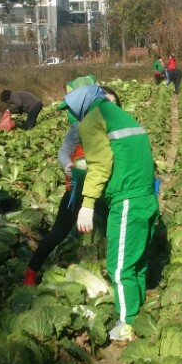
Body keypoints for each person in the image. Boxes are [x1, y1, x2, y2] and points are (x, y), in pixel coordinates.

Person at [58, 84, 159, 343]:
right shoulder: (120, 115)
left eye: (70, 110)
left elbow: (100, 164)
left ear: (80, 106)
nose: (70, 115)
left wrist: (88, 203)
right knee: (137, 262)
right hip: (146, 195)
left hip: (126, 199)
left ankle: (127, 322)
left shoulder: (92, 119)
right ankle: (138, 311)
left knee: (119, 265)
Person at [23, 86, 119, 286]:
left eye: (113, 103)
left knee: (116, 229)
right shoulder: (80, 127)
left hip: (106, 192)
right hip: (78, 189)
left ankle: (115, 272)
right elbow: (63, 152)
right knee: (58, 232)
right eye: (105, 102)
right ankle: (31, 271)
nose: (107, 107)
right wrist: (69, 166)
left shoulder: (119, 128)